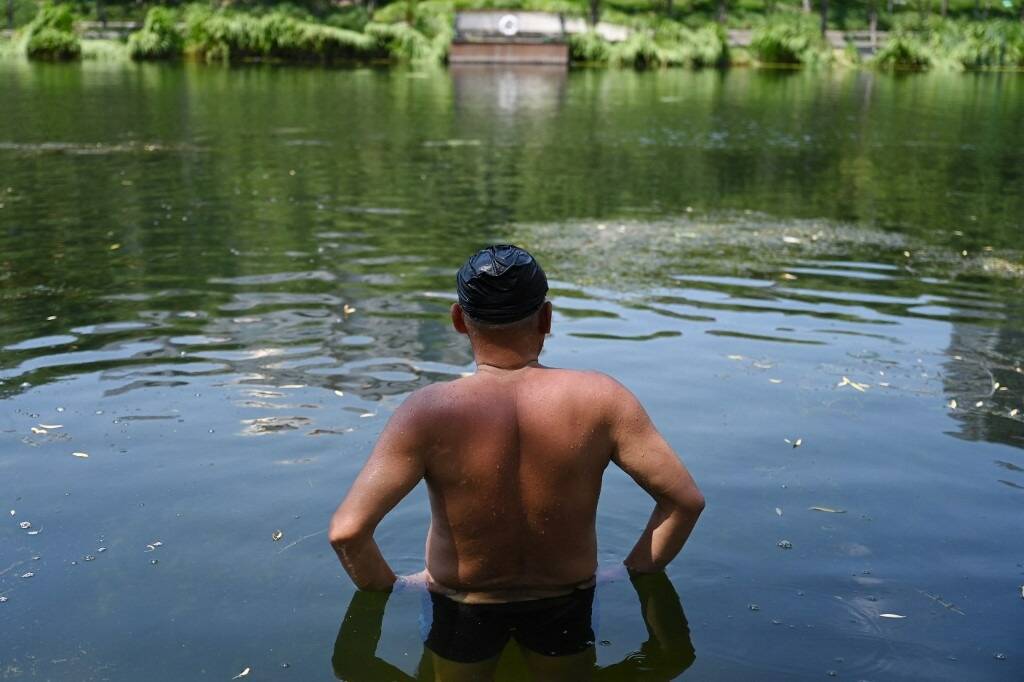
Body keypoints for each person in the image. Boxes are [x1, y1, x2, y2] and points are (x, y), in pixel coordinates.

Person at [328, 244, 705, 679]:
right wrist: (631, 571)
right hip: (566, 604)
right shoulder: (603, 400)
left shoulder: (428, 412)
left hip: (462, 610)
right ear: (546, 318)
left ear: (457, 320)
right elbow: (684, 502)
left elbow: (348, 532)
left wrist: (394, 586)